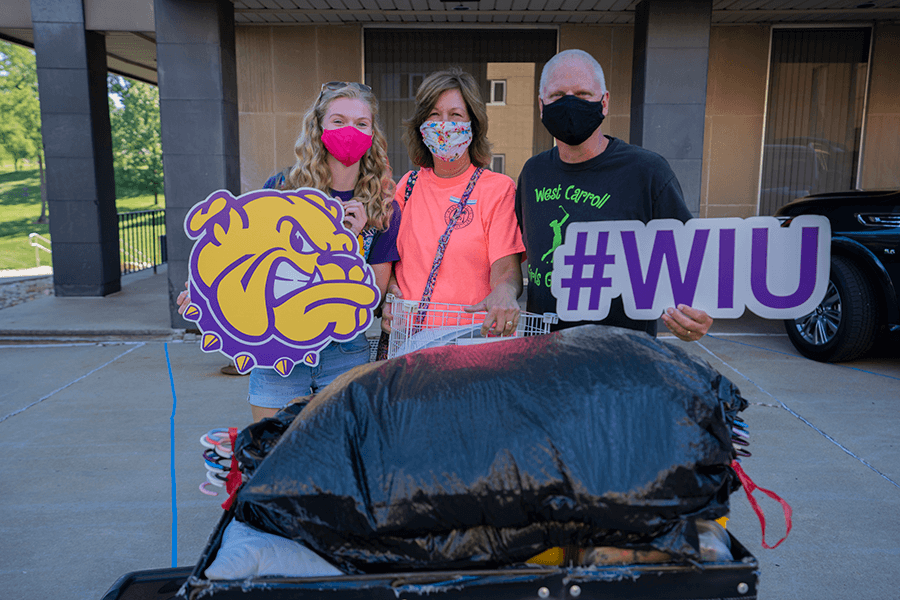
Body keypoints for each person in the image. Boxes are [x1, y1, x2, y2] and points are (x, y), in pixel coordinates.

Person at [179, 81, 401, 421]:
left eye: (361, 123)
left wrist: (352, 240)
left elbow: (373, 295)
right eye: (338, 121)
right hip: (277, 352)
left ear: (372, 133)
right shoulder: (282, 190)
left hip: (345, 353)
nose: (349, 131)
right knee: (273, 458)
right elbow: (244, 263)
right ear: (319, 127)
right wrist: (205, 296)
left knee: (337, 462)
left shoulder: (384, 206)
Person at [515, 49, 713, 342]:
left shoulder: (647, 172)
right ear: (542, 105)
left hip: (623, 360)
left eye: (583, 95)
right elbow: (517, 253)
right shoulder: (533, 173)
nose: (570, 104)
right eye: (558, 95)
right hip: (543, 355)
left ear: (604, 102)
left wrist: (697, 313)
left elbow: (690, 260)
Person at [381, 67, 524, 341]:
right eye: (434, 115)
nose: (444, 124)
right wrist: (390, 290)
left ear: (473, 123)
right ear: (421, 126)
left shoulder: (497, 189)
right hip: (411, 345)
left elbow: (505, 268)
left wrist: (505, 291)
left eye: (455, 115)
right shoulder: (407, 187)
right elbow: (388, 261)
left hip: (472, 343)